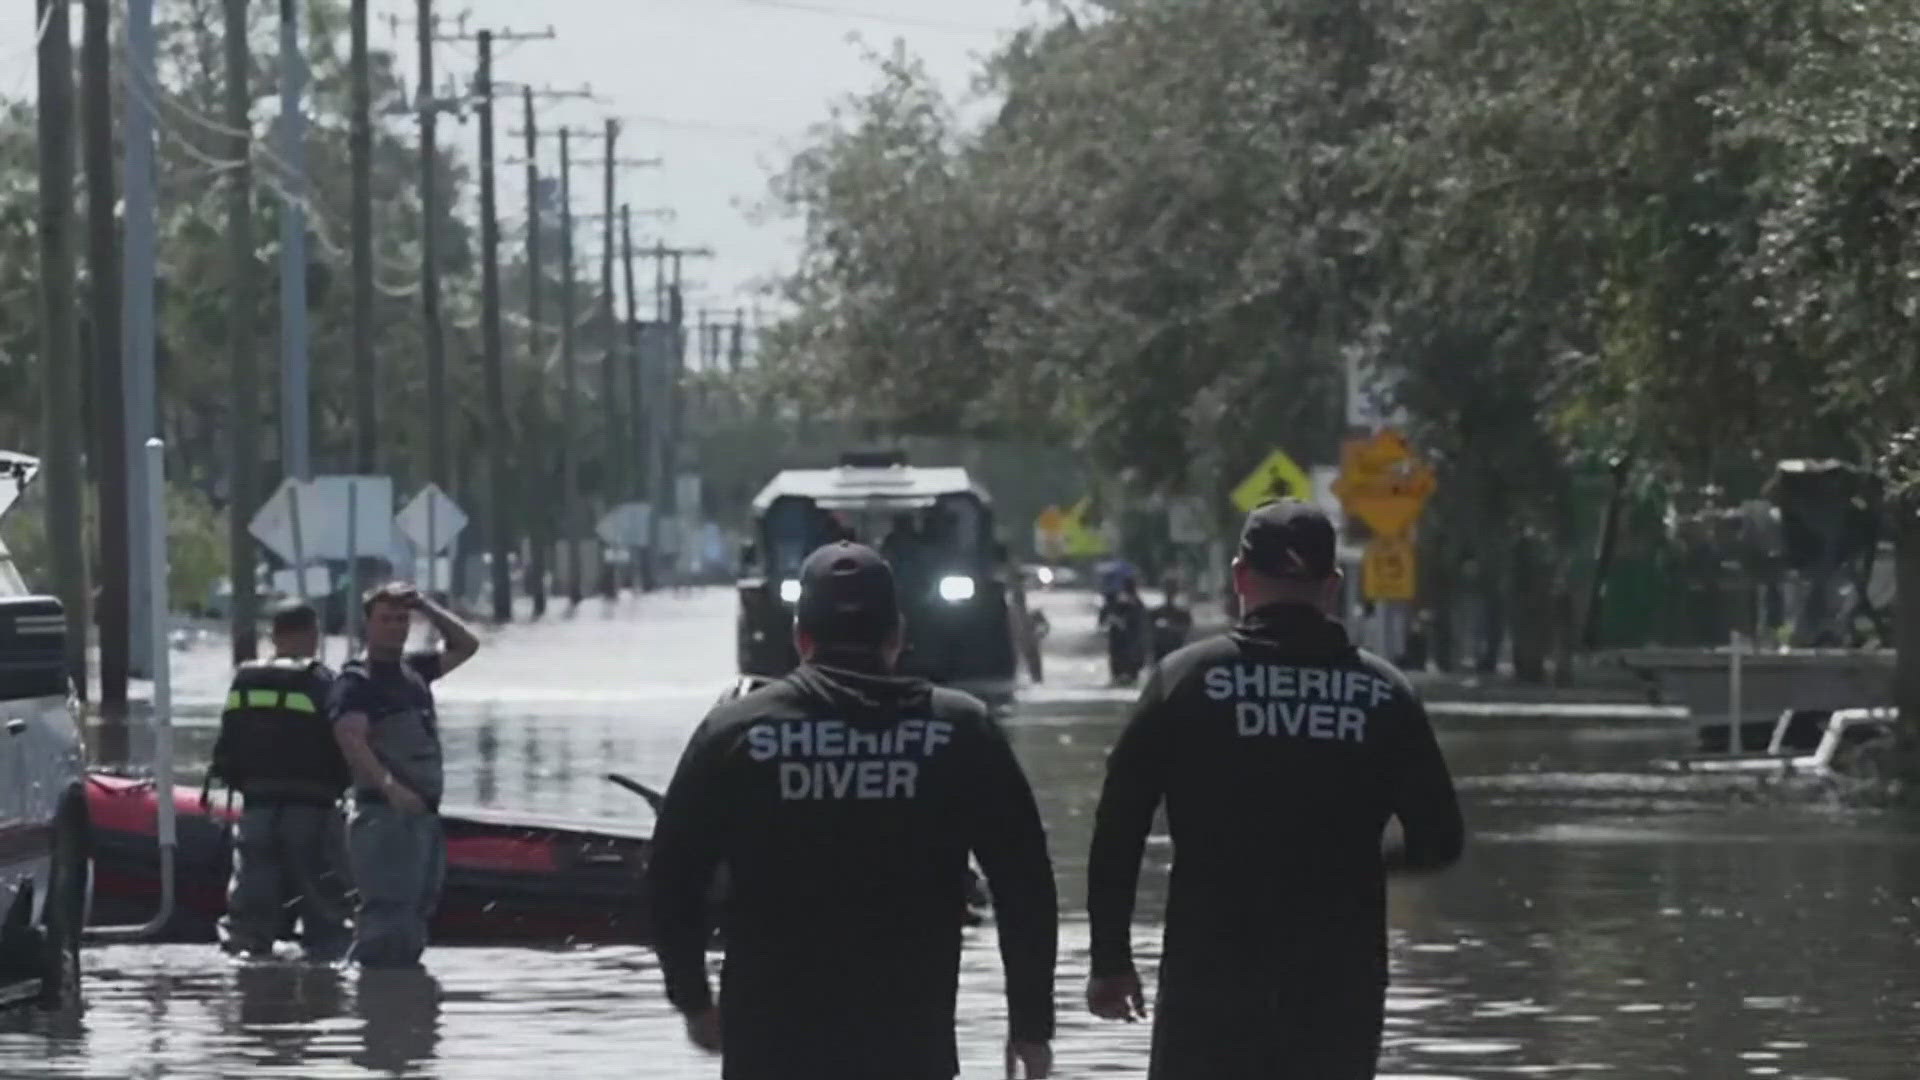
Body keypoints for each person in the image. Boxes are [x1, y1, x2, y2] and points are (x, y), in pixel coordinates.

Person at [648, 541, 1059, 1080]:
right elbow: (1023, 883)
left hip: (769, 1046)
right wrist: (1031, 1024)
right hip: (909, 1045)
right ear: (897, 637)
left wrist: (693, 999)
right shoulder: (960, 730)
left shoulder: (735, 732)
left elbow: (671, 877)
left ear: (800, 639)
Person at [1085, 499, 1465, 1079]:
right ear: (1332, 586)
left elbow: (1118, 830)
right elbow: (1440, 839)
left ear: (1240, 577)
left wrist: (1111, 961)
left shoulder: (1185, 682)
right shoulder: (1385, 694)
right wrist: (1355, 863)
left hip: (1210, 976)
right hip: (1339, 982)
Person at [328, 582, 480, 969]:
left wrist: (426, 606)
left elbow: (467, 646)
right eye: (385, 619)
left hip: (421, 818)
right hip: (383, 817)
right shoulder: (357, 681)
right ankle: (372, 1008)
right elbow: (350, 738)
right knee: (385, 919)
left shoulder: (414, 671)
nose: (395, 627)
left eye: (401, 619)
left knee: (414, 915)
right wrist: (390, 787)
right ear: (367, 625)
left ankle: (404, 1010)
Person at [209, 600, 351, 960]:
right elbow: (344, 740)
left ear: (274, 636)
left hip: (257, 807)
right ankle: (330, 988)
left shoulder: (245, 678)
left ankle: (247, 978)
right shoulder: (322, 680)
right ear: (312, 635)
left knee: (250, 905)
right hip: (312, 809)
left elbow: (227, 744)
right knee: (325, 911)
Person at [1147, 576, 1194, 663]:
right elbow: (1147, 633)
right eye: (1167, 588)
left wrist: (1170, 627)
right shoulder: (1155, 613)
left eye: (1171, 588)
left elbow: (1187, 632)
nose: (1169, 592)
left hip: (1177, 654)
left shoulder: (1182, 613)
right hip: (1159, 655)